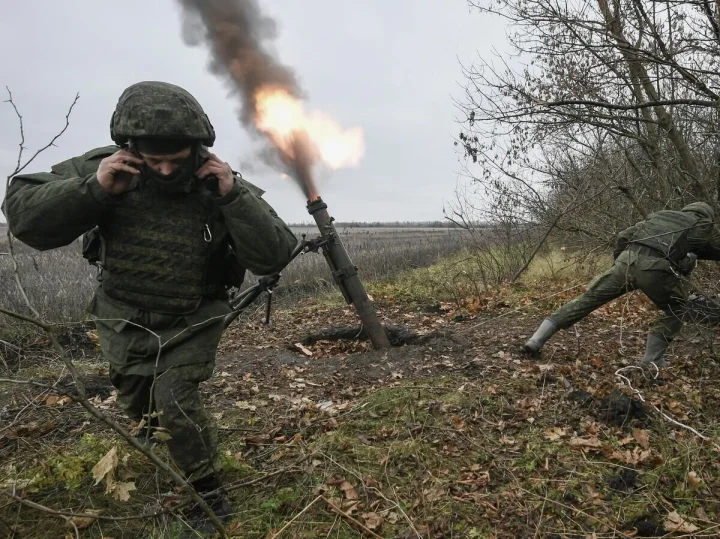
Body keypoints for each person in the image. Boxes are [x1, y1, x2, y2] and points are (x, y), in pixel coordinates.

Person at [2, 81, 298, 533]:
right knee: (140, 404)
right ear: (130, 146)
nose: (162, 170)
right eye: (152, 160)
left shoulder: (217, 178)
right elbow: (24, 214)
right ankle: (158, 445)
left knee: (174, 398)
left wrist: (232, 196)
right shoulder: (106, 166)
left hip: (194, 315)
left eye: (175, 162)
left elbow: (275, 254)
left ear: (196, 150)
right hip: (122, 314)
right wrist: (95, 188)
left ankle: (207, 491)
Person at [522, 202, 720, 368]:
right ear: (707, 215)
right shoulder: (703, 226)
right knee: (678, 308)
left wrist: (619, 260)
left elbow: (624, 236)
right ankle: (653, 359)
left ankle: (536, 340)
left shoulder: (660, 216)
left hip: (625, 263)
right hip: (655, 269)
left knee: (587, 300)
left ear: (685, 209)